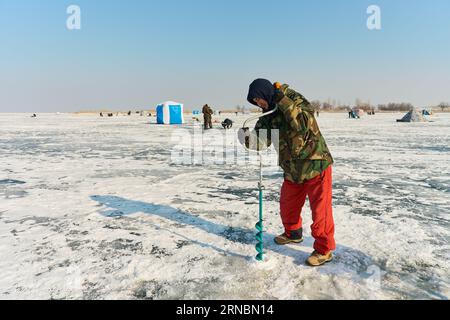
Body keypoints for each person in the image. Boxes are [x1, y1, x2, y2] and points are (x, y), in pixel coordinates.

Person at [238, 79, 335, 266]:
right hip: (291, 168)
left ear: (267, 93)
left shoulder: (291, 98)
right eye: (255, 101)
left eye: (260, 99)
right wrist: (246, 138)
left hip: (315, 164)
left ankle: (324, 250)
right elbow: (261, 142)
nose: (259, 103)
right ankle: (293, 233)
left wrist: (282, 100)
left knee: (320, 211)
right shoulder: (267, 116)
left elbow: (303, 123)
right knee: (287, 205)